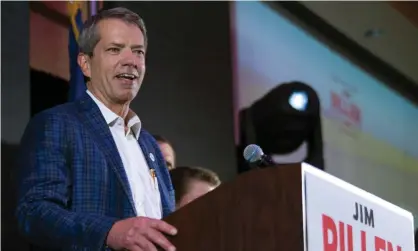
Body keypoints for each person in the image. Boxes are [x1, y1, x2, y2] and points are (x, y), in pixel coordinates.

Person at [15, 7, 177, 251]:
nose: (130, 60)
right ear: (85, 63)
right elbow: (35, 213)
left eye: (138, 52)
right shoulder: (57, 125)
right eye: (114, 49)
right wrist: (109, 232)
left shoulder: (150, 146)